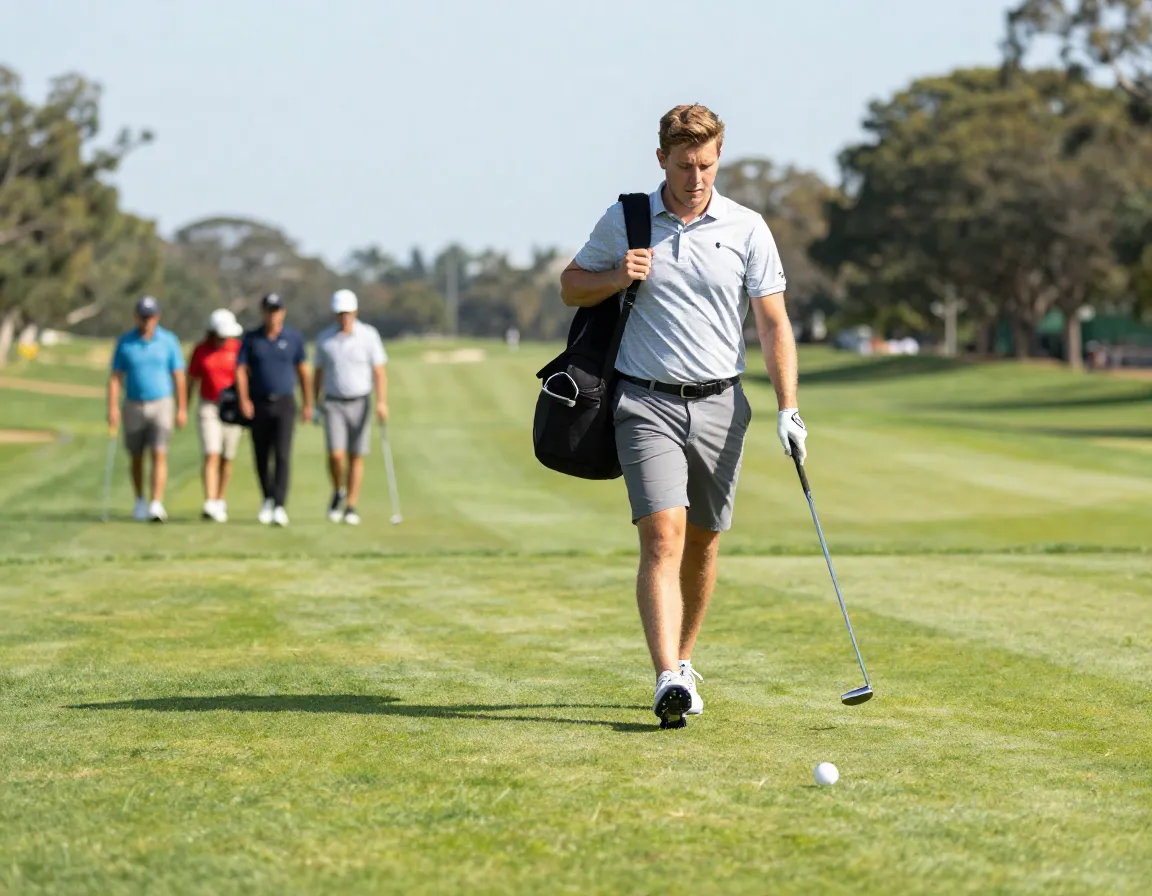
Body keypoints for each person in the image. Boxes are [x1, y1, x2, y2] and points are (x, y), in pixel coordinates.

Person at [559, 104, 808, 726]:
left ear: (718, 157)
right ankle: (667, 674)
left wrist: (789, 408)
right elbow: (570, 284)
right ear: (661, 158)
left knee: (704, 540)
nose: (696, 177)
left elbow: (773, 321)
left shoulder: (747, 227)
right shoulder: (629, 219)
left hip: (723, 402)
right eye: (684, 164)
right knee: (662, 536)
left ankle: (685, 660)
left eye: (707, 163)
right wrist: (617, 274)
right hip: (644, 402)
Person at [107, 295, 188, 522]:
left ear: (157, 317)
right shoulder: (125, 342)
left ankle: (156, 503)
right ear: (136, 317)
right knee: (136, 456)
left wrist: (182, 408)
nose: (146, 321)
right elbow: (115, 377)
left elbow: (179, 375)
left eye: (150, 317)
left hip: (162, 402)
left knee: (159, 451)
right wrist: (113, 407)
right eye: (142, 317)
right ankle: (140, 500)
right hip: (133, 404)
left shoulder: (169, 341)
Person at [312, 289, 388, 525]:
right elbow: (318, 373)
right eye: (340, 314)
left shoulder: (368, 336)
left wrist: (382, 402)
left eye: (347, 313)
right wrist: (314, 403)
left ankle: (351, 506)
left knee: (356, 455)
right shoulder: (325, 339)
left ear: (355, 312)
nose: (344, 318)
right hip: (333, 402)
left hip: (360, 400)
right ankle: (338, 491)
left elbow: (379, 371)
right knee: (336, 455)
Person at [235, 293, 312, 527]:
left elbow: (302, 371)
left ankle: (279, 504)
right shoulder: (251, 338)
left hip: (285, 402)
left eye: (276, 310)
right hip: (258, 403)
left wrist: (308, 402)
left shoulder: (293, 338)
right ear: (262, 313)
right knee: (260, 455)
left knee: (282, 454)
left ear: (283, 312)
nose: (272, 315)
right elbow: (240, 370)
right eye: (268, 310)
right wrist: (244, 400)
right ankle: (267, 498)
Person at [187, 308, 245, 522]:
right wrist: (184, 406)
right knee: (212, 452)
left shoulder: (238, 349)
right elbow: (191, 379)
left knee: (227, 457)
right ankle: (210, 501)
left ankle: (221, 499)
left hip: (232, 408)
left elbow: (245, 378)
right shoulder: (201, 350)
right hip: (208, 406)